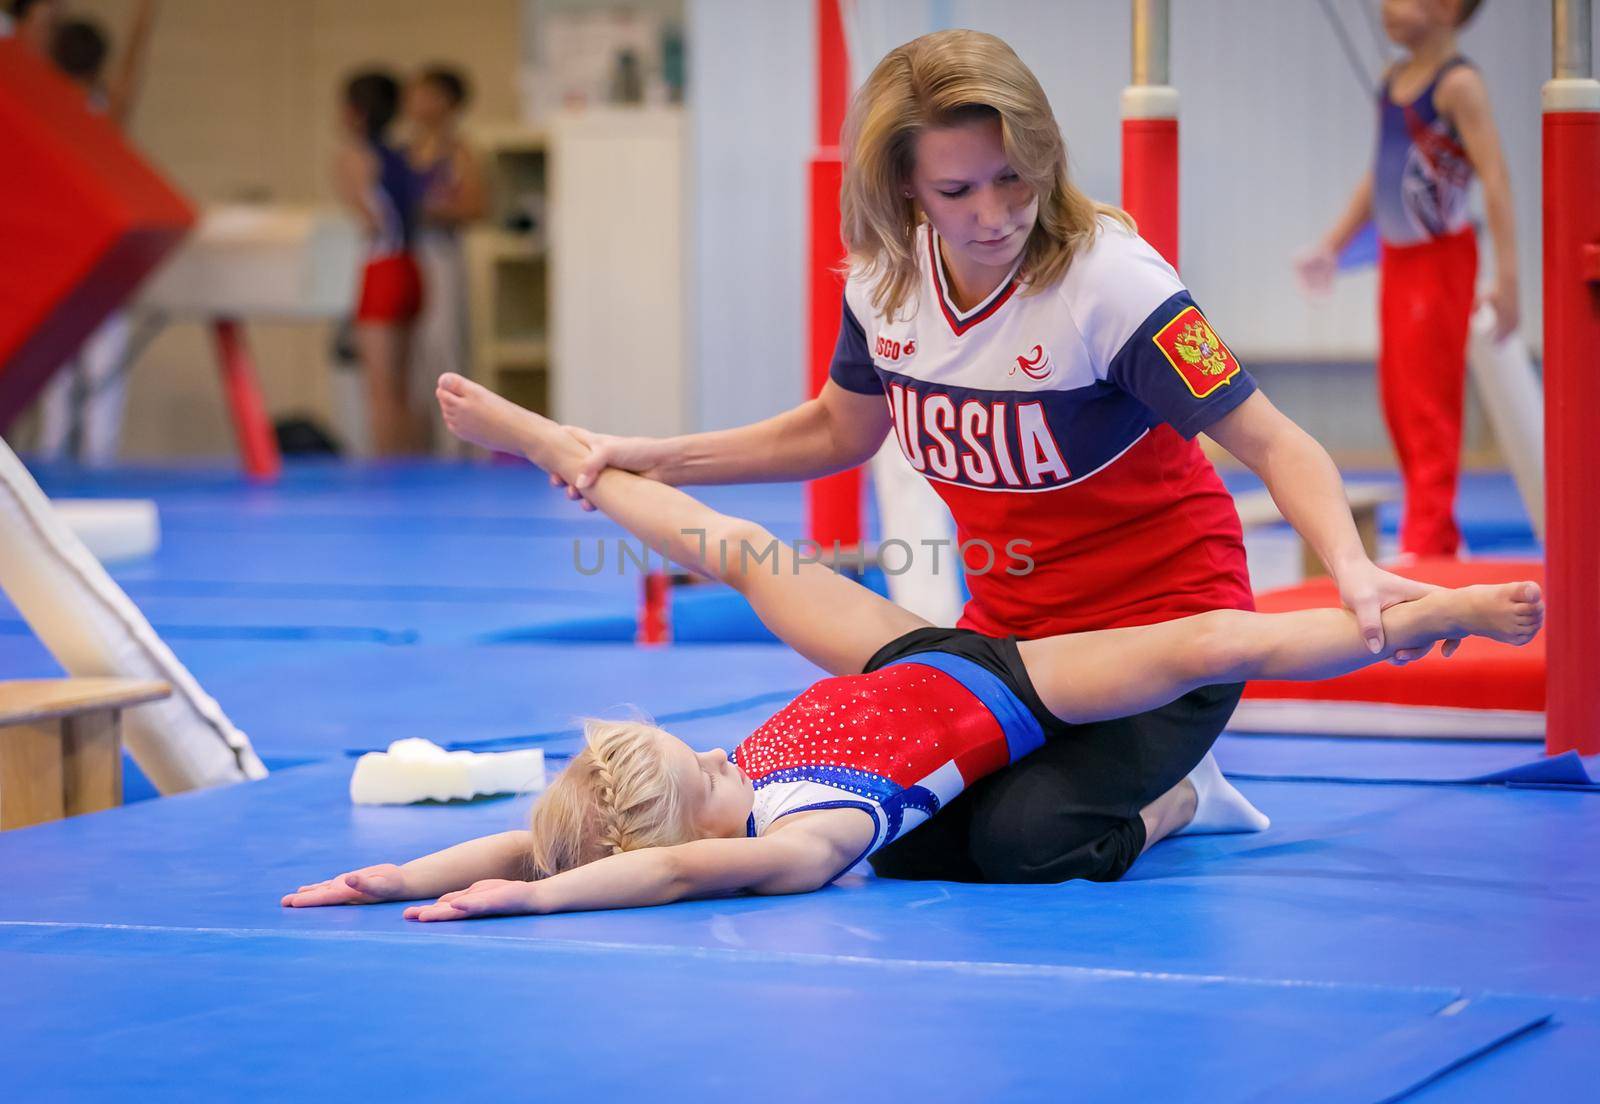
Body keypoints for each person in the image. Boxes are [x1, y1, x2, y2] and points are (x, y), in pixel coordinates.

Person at [536, 29, 1447, 886]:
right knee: (906, 839)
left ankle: (1185, 795)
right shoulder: (886, 286)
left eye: (1014, 179)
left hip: (1162, 640)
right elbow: (833, 433)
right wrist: (658, 457)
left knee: (1026, 840)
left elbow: (1273, 438)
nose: (996, 215)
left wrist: (1353, 568)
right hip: (1008, 647)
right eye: (957, 191)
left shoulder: (1113, 287)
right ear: (905, 191)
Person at [279, 373, 1542, 922]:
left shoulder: (707, 803)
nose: (722, 758)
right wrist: (538, 902)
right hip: (1011, 695)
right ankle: (1421, 619)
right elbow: (646, 877)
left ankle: (577, 453)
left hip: (903, 657)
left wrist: (390, 880)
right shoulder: (799, 845)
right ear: (717, 836)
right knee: (1213, 639)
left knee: (732, 551)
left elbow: (544, 837)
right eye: (707, 775)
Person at [1297, 0, 1515, 558]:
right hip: (1399, 261)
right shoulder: (1391, 80)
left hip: (1442, 260)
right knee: (1397, 398)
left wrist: (1509, 281)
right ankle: (1433, 533)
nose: (1384, 7)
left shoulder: (1458, 85)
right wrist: (1333, 245)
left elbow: (1494, 178)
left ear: (1446, 9)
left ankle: (1430, 540)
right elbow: (1380, 175)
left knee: (1428, 404)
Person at [32, 1, 157, 466]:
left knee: (58, 381)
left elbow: (33, 48)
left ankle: (54, 459)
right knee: (99, 375)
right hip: (99, 260)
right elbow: (132, 66)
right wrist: (145, 17)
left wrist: (49, 12)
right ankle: (95, 462)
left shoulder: (45, 104)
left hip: (65, 258)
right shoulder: (104, 110)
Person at [335, 69, 428, 456]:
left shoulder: (353, 156)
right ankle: (414, 472)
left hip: (380, 270)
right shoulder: (405, 156)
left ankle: (389, 481)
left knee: (379, 392)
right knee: (403, 388)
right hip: (410, 267)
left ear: (355, 111)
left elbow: (369, 219)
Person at [403, 64, 486, 455]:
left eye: (424, 93)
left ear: (446, 102)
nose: (415, 102)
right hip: (404, 252)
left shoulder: (460, 151)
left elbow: (476, 206)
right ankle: (415, 445)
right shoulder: (402, 152)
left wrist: (431, 209)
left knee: (445, 347)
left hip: (440, 253)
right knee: (410, 356)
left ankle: (456, 448)